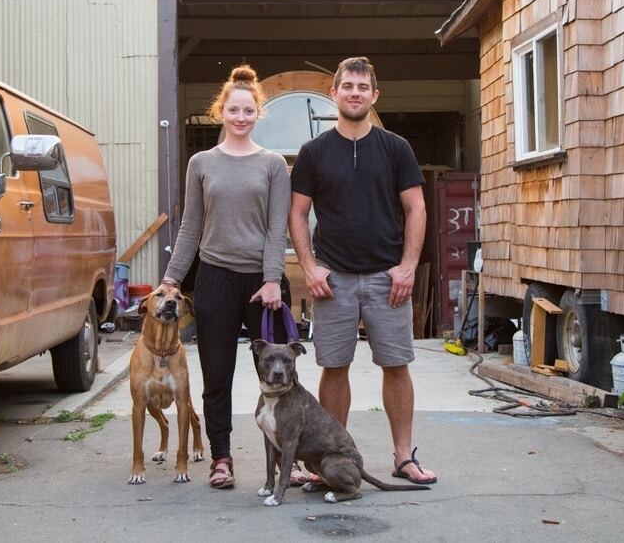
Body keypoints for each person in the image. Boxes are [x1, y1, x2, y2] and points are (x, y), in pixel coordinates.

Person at [288, 56, 437, 485]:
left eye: (362, 87)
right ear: (334, 93)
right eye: (347, 86)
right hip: (332, 281)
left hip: (386, 279)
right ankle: (333, 458)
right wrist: (311, 267)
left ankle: (403, 457)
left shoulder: (396, 148)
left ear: (374, 95)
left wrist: (408, 267)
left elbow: (416, 208)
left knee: (396, 364)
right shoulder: (314, 153)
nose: (355, 93)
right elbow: (298, 214)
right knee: (334, 368)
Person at [160, 65, 298, 489]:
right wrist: (170, 279)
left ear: (259, 113)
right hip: (215, 280)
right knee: (216, 374)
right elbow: (190, 226)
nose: (241, 116)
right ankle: (222, 457)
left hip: (263, 284)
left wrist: (274, 278)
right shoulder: (202, 164)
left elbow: (278, 227)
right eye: (234, 110)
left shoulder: (273, 164)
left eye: (249, 110)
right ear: (221, 111)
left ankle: (288, 459)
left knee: (279, 376)